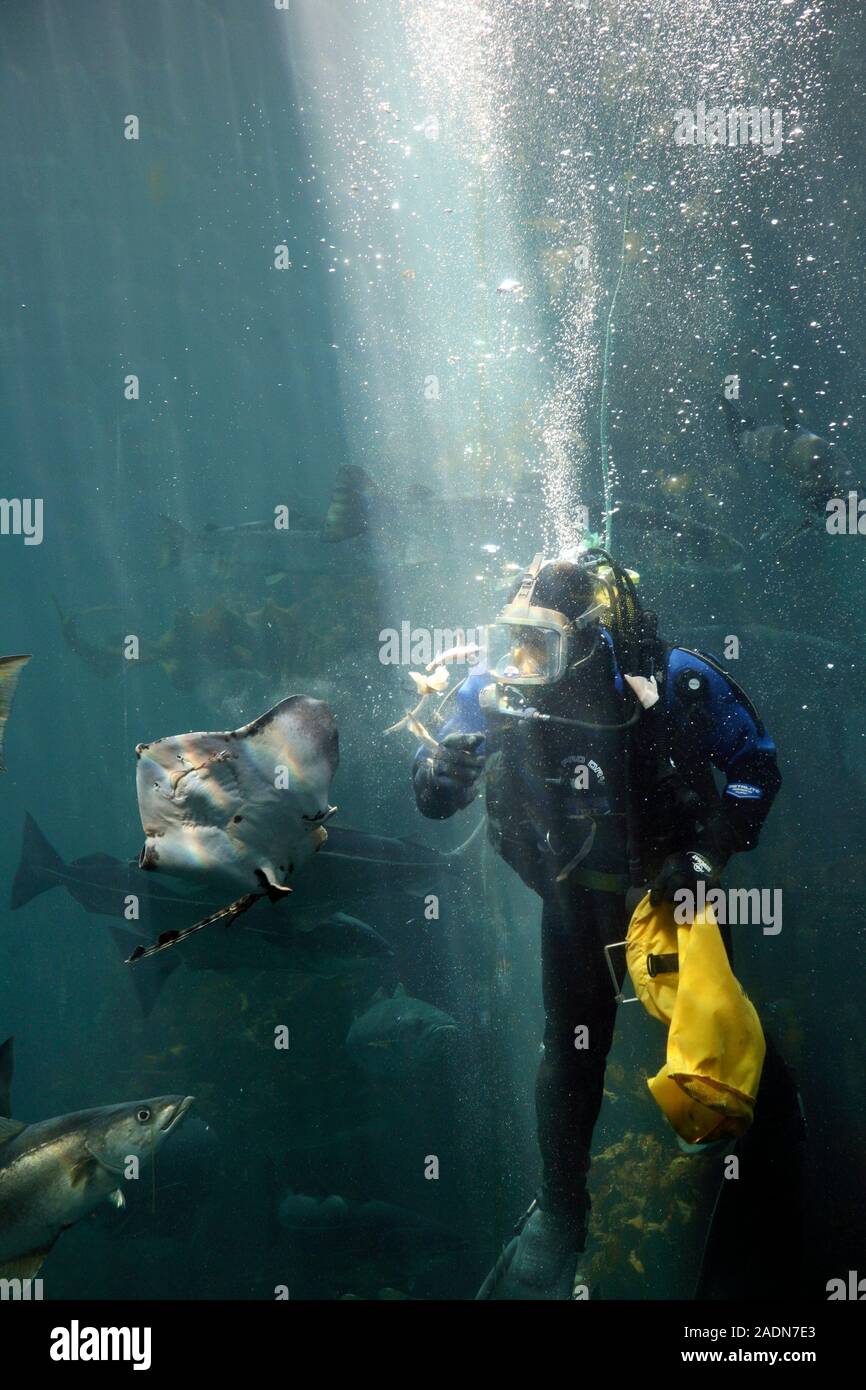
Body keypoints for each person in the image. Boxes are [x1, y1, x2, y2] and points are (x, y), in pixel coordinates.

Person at [412, 548, 784, 1299]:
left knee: (716, 1039)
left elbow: (755, 769)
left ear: (584, 635)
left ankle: (747, 1164)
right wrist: (437, 776)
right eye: (513, 635)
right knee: (570, 1054)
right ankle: (561, 1213)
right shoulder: (495, 691)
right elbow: (434, 792)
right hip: (576, 898)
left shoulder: (675, 681)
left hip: (673, 900)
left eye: (539, 640)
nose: (521, 658)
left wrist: (707, 857)